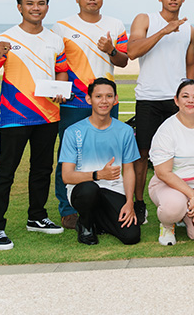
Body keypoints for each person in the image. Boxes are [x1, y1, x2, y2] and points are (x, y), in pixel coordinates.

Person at [0, 0, 68, 250]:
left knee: (42, 169)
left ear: (47, 6)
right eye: (30, 3)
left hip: (48, 116)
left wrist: (61, 91)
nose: (36, 8)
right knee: (5, 173)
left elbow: (62, 72)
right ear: (19, 7)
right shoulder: (3, 39)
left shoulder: (55, 39)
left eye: (41, 3)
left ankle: (37, 217)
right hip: (15, 117)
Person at [53, 0, 129, 229]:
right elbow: (57, 64)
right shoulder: (62, 27)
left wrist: (111, 49)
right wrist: (58, 89)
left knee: (109, 155)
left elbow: (123, 61)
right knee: (68, 157)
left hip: (107, 101)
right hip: (74, 103)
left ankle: (105, 202)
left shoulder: (115, 24)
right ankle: (67, 209)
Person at [127, 0, 194, 225]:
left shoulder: (189, 29)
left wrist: (191, 97)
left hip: (176, 102)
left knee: (177, 155)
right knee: (143, 154)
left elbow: (191, 66)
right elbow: (132, 51)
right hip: (148, 98)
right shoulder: (145, 19)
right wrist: (164, 31)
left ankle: (176, 201)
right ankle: (138, 203)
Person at [59, 78, 140, 246]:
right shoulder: (73, 132)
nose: (104, 101)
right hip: (82, 189)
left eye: (109, 96)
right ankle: (86, 224)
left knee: (131, 236)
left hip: (113, 189)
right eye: (98, 96)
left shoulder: (125, 131)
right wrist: (98, 175)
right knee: (90, 189)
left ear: (115, 99)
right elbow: (67, 176)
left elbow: (129, 170)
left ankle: (98, 220)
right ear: (89, 99)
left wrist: (129, 202)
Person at [148, 79, 194, 245]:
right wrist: (191, 194)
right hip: (171, 187)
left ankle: (185, 215)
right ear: (176, 100)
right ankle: (167, 224)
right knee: (173, 206)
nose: (190, 101)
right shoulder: (167, 130)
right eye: (185, 96)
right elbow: (162, 172)